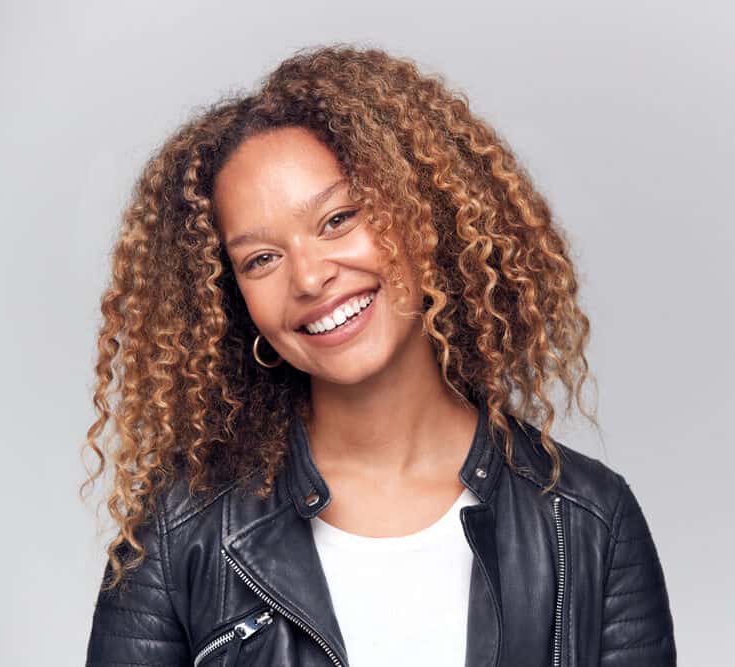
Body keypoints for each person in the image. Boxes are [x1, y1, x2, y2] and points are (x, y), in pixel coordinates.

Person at [81, 45, 677, 666]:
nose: (309, 278)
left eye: (338, 219)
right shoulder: (180, 532)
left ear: (424, 215)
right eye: (261, 259)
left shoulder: (586, 520)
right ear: (234, 304)